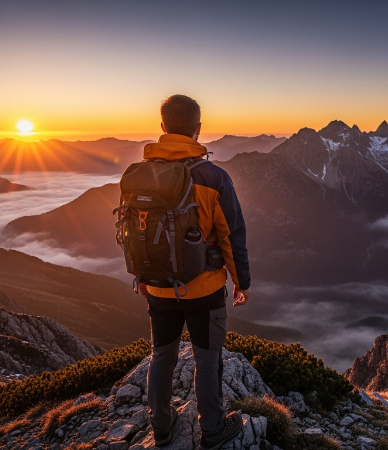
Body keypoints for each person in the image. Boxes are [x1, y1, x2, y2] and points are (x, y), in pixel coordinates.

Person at [138, 94, 251, 449]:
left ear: (163, 128)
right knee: (207, 358)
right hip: (204, 289)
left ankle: (160, 427)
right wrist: (241, 281)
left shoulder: (140, 176)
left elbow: (137, 234)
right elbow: (232, 234)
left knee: (162, 356)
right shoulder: (213, 177)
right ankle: (213, 431)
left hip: (157, 286)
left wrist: (141, 276)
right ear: (198, 129)